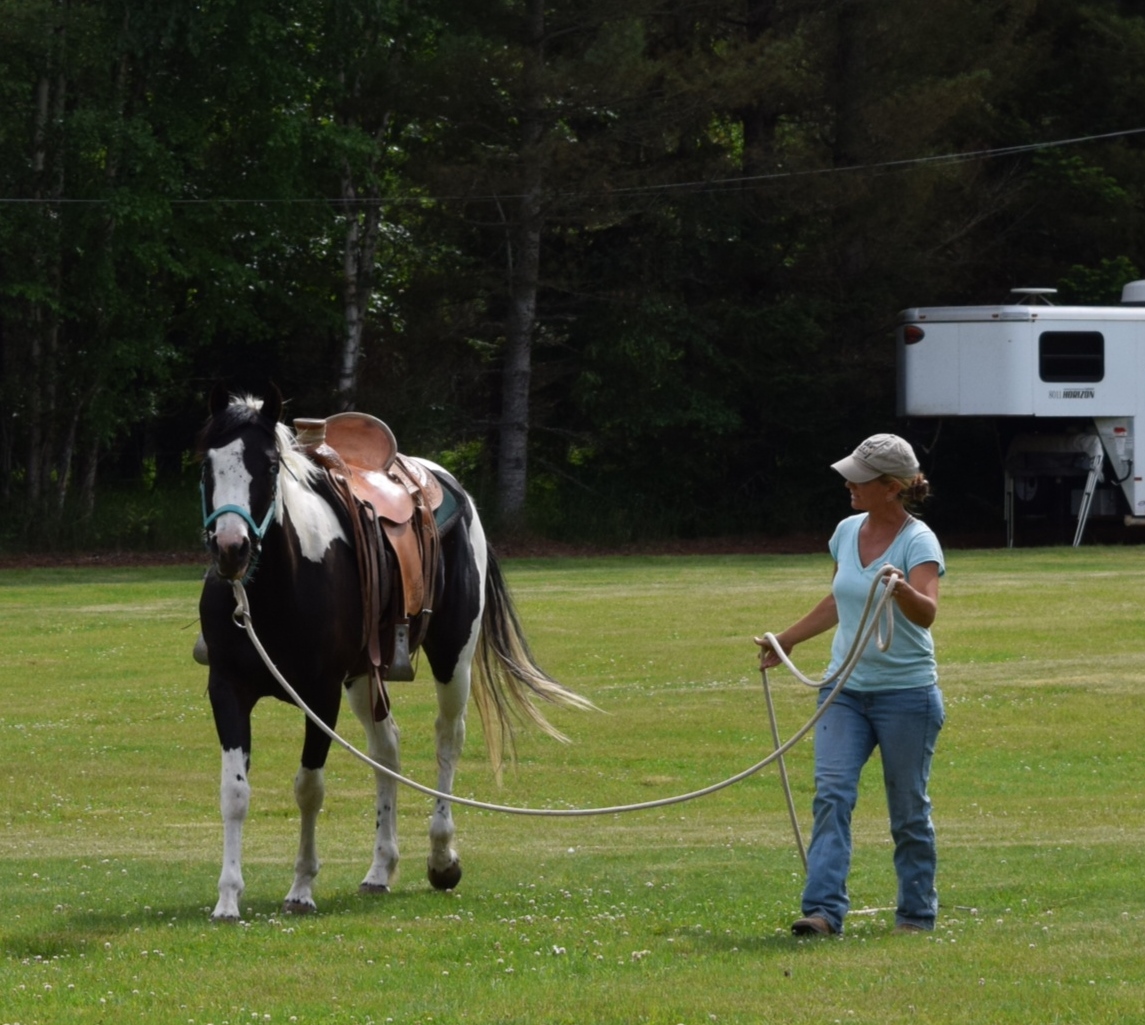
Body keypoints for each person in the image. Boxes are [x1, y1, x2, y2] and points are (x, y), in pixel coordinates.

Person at [755, 433, 945, 937]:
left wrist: (901, 587)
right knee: (832, 794)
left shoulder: (918, 541)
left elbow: (927, 613)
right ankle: (822, 912)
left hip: (907, 696)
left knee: (907, 810)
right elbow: (840, 598)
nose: (848, 485)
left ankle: (916, 914)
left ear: (889, 487)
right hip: (843, 692)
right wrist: (788, 640)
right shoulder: (845, 530)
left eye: (858, 479)